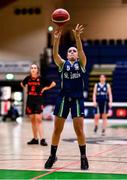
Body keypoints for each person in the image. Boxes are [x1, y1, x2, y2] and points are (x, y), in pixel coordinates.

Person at [44, 24, 89, 170]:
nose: (72, 52)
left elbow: (81, 50)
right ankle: (52, 156)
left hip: (77, 99)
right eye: (69, 51)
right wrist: (56, 40)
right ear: (67, 54)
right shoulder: (62, 64)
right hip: (63, 98)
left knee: (79, 130)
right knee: (57, 130)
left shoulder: (81, 63)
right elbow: (55, 55)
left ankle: (83, 157)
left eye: (74, 51)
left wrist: (77, 38)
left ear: (76, 55)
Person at [20, 63, 56, 146]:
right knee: (32, 120)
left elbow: (53, 83)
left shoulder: (41, 79)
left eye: (35, 68)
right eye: (32, 68)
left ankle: (42, 139)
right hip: (30, 100)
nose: (33, 69)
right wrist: (25, 88)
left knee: (38, 119)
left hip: (39, 100)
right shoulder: (28, 78)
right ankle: (35, 139)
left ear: (37, 70)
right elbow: (22, 83)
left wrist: (45, 88)